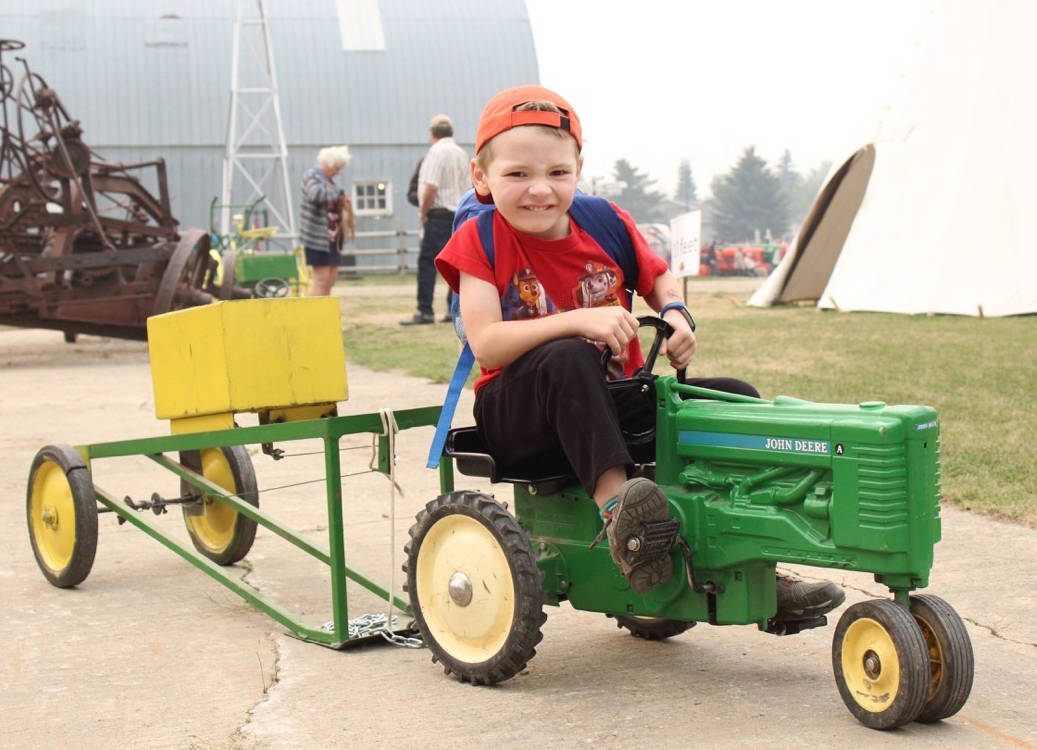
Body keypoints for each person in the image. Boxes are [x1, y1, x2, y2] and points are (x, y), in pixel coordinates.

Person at [435, 85, 844, 619]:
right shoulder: (479, 239)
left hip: (609, 404)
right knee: (568, 355)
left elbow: (659, 281)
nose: (539, 190)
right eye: (518, 175)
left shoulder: (605, 223)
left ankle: (759, 560)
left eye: (557, 173)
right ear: (482, 177)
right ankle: (624, 517)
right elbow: (486, 341)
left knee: (732, 399)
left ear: (578, 168)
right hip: (521, 420)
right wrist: (580, 320)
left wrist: (676, 314)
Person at [401, 114, 469, 325]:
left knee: (428, 263)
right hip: (458, 214)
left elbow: (430, 186)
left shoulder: (435, 152)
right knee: (457, 264)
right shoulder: (461, 153)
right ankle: (453, 309)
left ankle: (425, 309)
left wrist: (423, 211)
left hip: (438, 214)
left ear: (432, 134)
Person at [300, 145, 351, 296]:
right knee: (321, 279)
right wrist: (338, 192)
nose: (338, 172)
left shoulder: (329, 181)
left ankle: (324, 313)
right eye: (337, 167)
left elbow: (329, 194)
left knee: (331, 278)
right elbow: (316, 195)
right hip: (317, 238)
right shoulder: (312, 176)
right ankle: (313, 315)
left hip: (331, 238)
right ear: (329, 164)